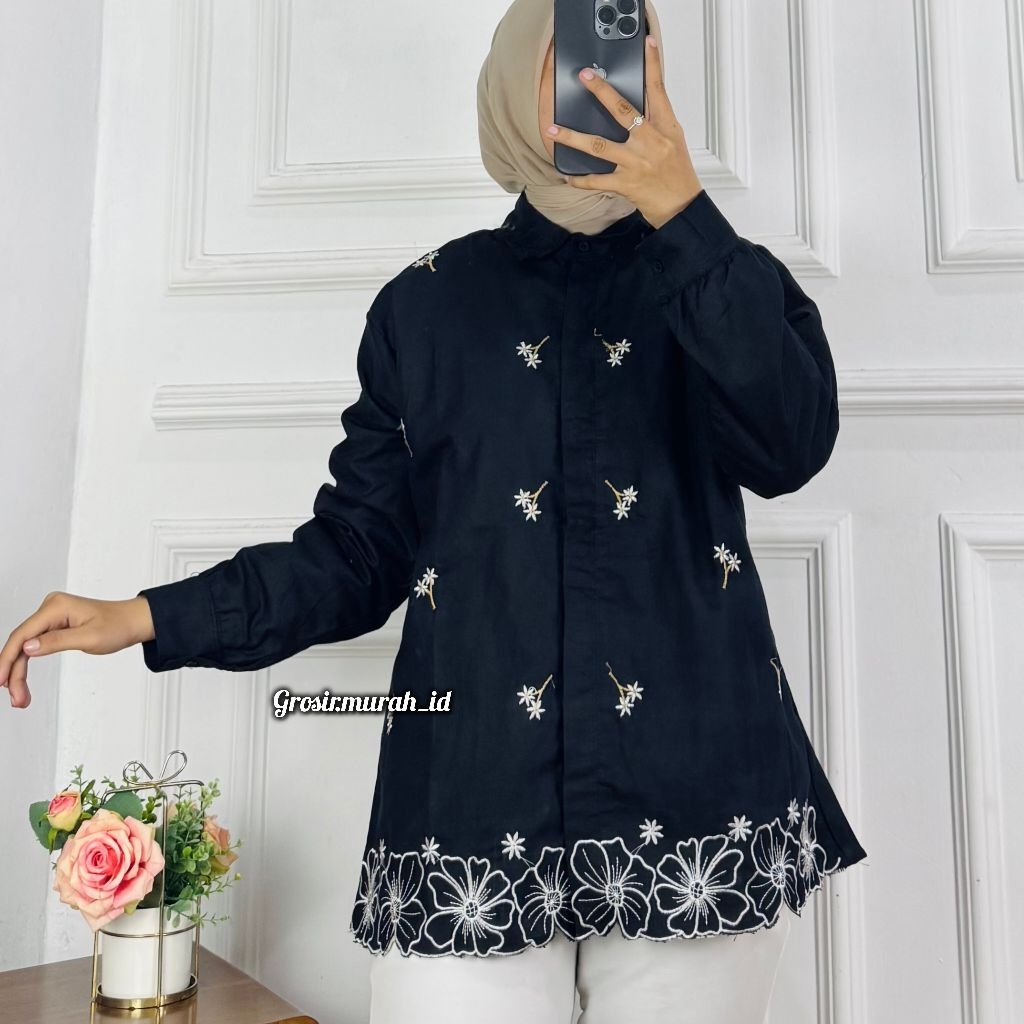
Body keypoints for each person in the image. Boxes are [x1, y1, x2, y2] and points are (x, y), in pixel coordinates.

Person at [1, 0, 867, 1020]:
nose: (606, 80)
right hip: (472, 803)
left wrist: (686, 217)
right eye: (574, 58)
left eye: (632, 53)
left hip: (694, 800)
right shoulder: (427, 306)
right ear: (512, 84)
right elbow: (359, 554)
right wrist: (148, 615)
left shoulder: (728, 282)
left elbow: (790, 447)